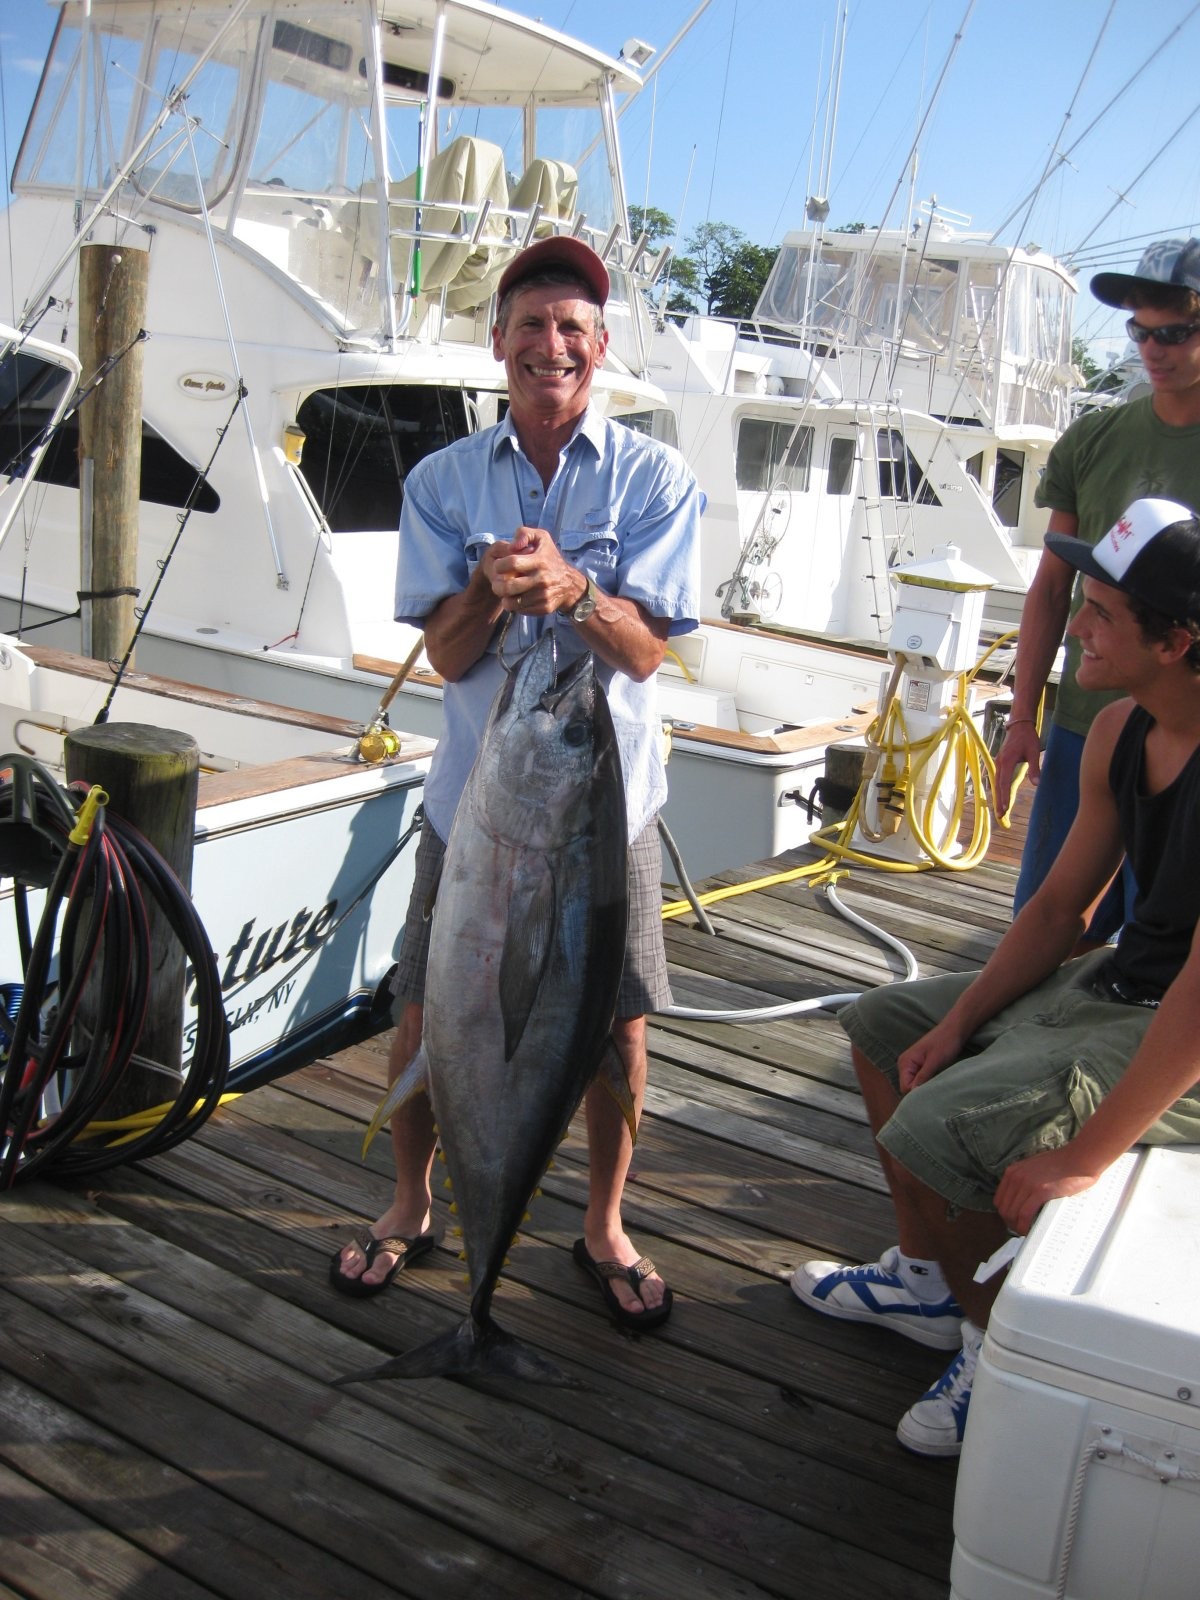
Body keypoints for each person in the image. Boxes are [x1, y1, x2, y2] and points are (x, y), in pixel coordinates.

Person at [330, 236, 701, 1329]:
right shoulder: (442, 481)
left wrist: (578, 587)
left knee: (617, 1019)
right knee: (423, 1006)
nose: (553, 346)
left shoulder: (656, 479)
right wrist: (491, 590)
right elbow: (447, 658)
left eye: (574, 329)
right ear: (498, 341)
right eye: (532, 324)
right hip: (476, 806)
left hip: (605, 801)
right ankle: (412, 1202)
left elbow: (643, 654)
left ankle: (602, 1224)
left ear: (602, 349)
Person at [791, 498, 1200, 1456]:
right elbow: (1059, 911)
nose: (1073, 628)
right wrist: (960, 1017)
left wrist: (1084, 1155)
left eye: (1100, 613)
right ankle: (930, 1283)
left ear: (1179, 641)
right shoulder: (1118, 733)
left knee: (937, 1124)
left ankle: (992, 1345)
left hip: (1180, 1029)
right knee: (884, 1028)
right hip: (1121, 982)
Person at [994, 238, 1200, 937]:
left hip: (1188, 739)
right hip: (1085, 726)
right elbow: (1054, 588)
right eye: (1140, 330)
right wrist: (1023, 720)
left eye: (1173, 330)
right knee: (1047, 919)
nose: (1153, 347)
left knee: (1157, 943)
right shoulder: (1093, 438)